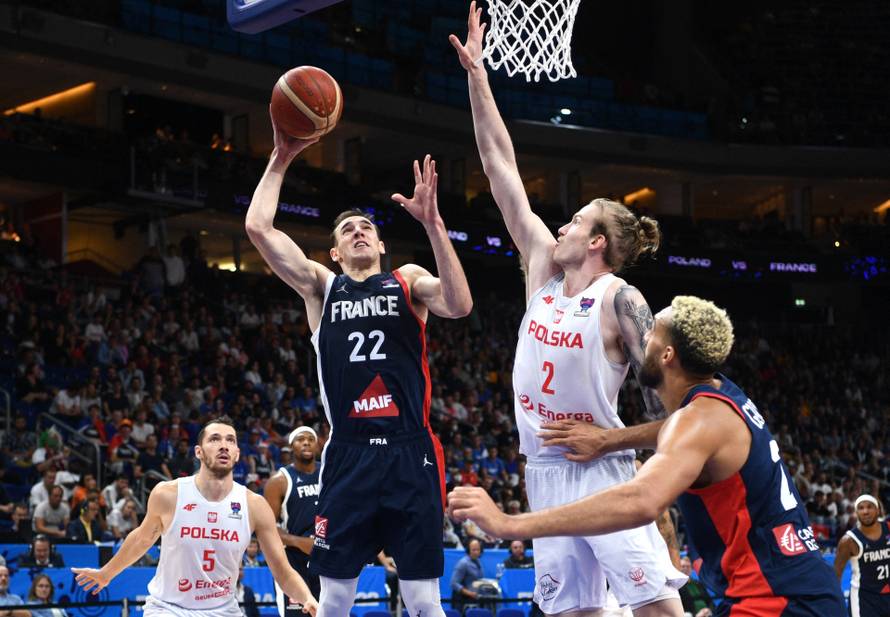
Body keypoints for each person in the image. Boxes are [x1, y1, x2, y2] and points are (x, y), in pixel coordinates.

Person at [451, 6, 684, 615]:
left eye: (577, 220)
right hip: (543, 471)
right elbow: (499, 165)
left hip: (605, 473)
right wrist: (478, 76)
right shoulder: (542, 270)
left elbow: (684, 419)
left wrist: (611, 442)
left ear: (599, 243)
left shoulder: (621, 301)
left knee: (656, 607)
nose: (562, 223)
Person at [449, 295, 847, 615]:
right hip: (791, 588)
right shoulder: (719, 398)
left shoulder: (696, 421)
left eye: (651, 331)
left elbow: (640, 500)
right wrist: (609, 440)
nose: (641, 337)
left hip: (778, 600)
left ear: (667, 355)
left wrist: (510, 524)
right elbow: (672, 433)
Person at [246, 109, 472, 617]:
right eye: (348, 230)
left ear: (383, 243)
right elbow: (258, 228)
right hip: (347, 454)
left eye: (366, 226)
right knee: (335, 598)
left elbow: (459, 305)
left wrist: (434, 224)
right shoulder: (322, 288)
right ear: (333, 251)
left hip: (409, 449)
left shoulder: (408, 280)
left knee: (422, 599)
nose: (358, 232)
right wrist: (281, 158)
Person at [71, 416, 318, 617]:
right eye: (215, 439)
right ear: (199, 452)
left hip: (223, 610)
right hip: (168, 609)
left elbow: (282, 569)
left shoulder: (254, 505)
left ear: (237, 454)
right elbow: (142, 539)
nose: (224, 445)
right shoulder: (169, 493)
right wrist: (106, 573)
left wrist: (307, 598)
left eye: (230, 440)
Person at [264, 427, 322, 615]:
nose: (306, 442)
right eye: (300, 439)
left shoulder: (330, 474)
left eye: (310, 439)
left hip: (327, 558)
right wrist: (299, 542)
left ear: (317, 446)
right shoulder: (279, 481)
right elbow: (267, 528)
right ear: (291, 447)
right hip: (293, 563)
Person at [834, 494, 890, 616]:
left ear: (878, 510)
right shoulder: (848, 540)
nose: (865, 511)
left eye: (869, 507)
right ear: (856, 512)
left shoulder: (888, 529)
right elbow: (836, 575)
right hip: (864, 600)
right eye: (861, 508)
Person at [450, 539, 483, 612]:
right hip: (462, 601)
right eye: (473, 550)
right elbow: (454, 583)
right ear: (468, 550)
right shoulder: (463, 563)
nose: (476, 552)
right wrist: (470, 593)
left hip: (473, 600)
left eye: (478, 549)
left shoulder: (478, 562)